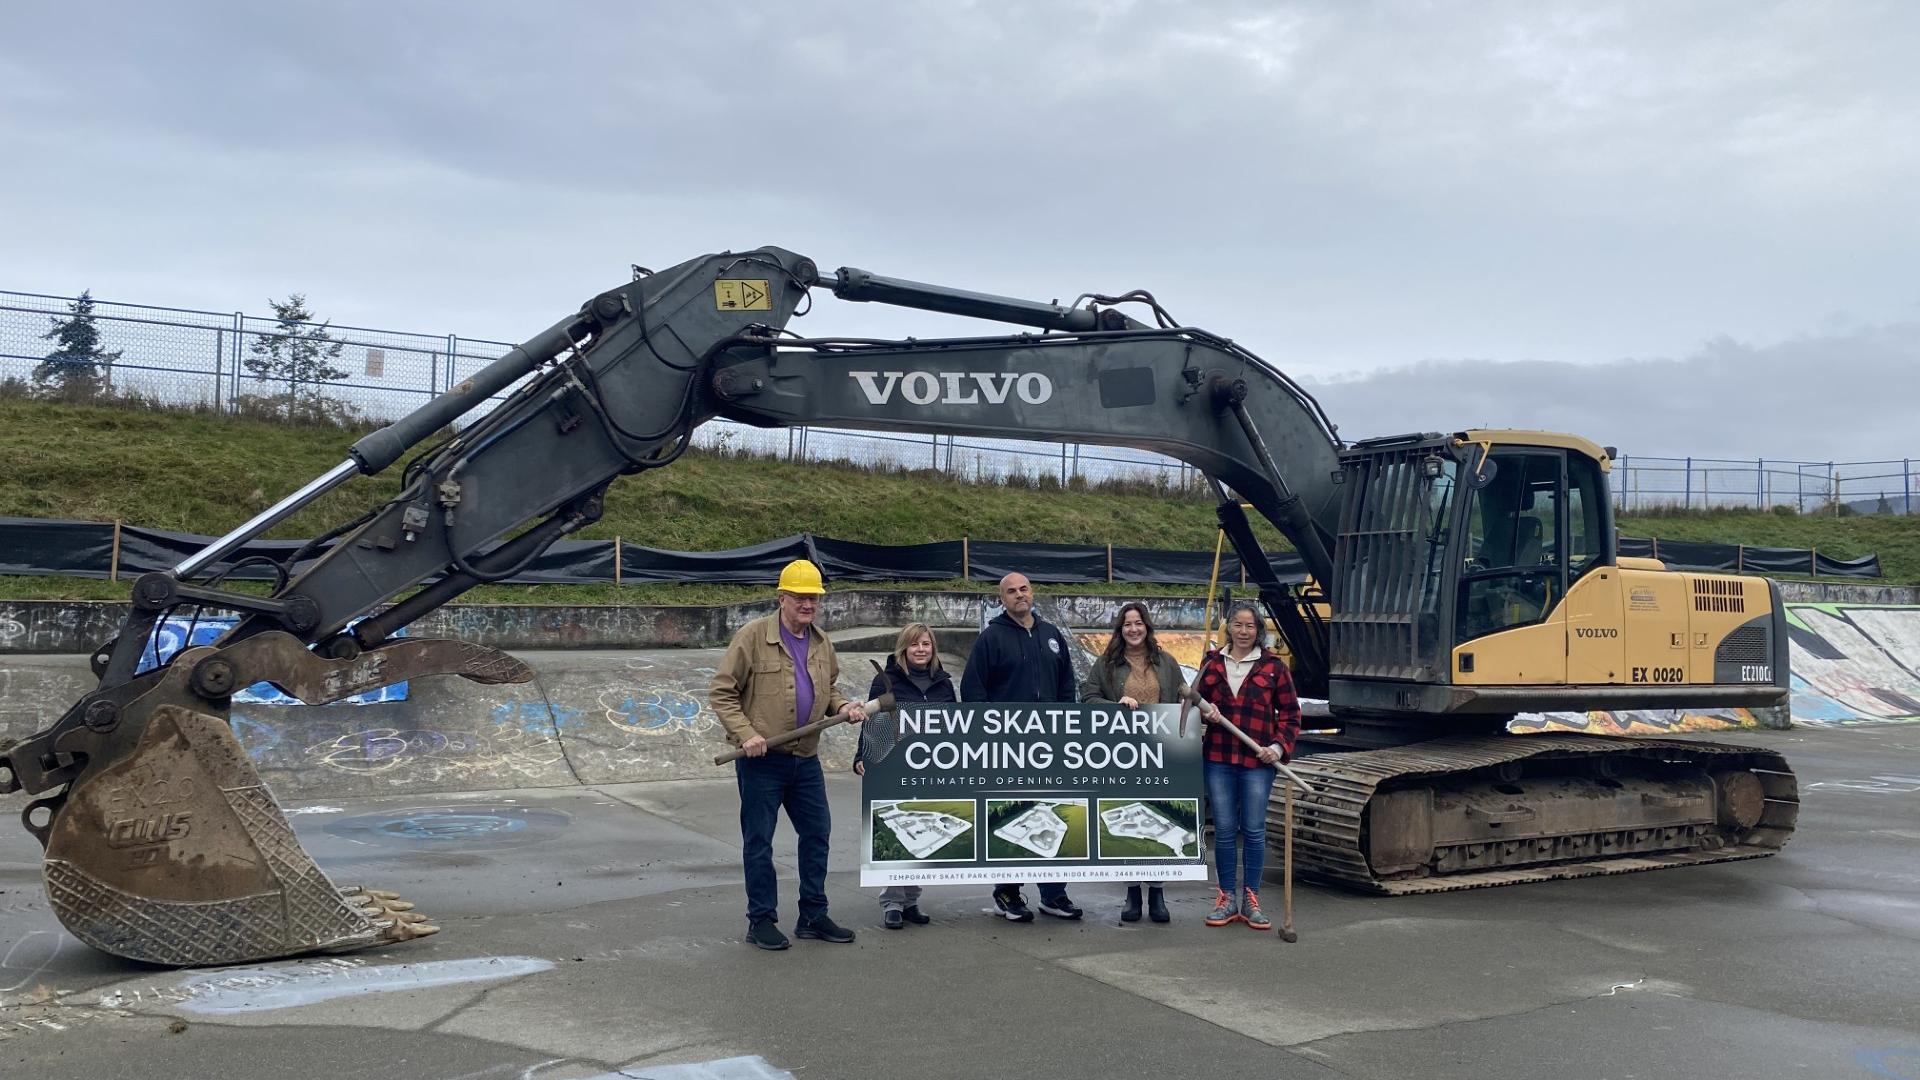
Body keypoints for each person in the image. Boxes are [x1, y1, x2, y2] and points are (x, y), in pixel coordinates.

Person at [709, 558, 869, 951]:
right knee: (759, 841)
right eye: (800, 596)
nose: (808, 604)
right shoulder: (752, 637)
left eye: (813, 597)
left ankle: (813, 914)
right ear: (782, 598)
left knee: (817, 834)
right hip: (762, 762)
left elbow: (828, 689)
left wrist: (844, 706)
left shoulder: (821, 642)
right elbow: (722, 692)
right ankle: (760, 920)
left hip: (805, 759)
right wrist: (746, 734)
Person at [961, 572, 1083, 922]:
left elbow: (1066, 688)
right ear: (1002, 599)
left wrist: (1065, 730)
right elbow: (973, 692)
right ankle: (1008, 892)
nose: (1019, 595)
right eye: (1011, 591)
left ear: (1032, 593)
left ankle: (1054, 893)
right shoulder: (990, 638)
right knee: (1013, 816)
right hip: (1007, 750)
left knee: (1052, 815)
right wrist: (991, 736)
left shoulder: (1052, 635)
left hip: (1050, 747)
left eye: (1024, 589)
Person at [1190, 600, 1301, 931]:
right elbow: (1192, 707)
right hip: (1219, 758)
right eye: (1237, 625)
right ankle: (1226, 899)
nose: (1243, 631)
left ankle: (1251, 899)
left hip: (1258, 761)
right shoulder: (1211, 665)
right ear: (1229, 628)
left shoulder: (1274, 668)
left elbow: (1292, 715)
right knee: (1224, 830)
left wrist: (1278, 747)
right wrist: (1203, 713)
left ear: (1259, 631)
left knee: (1253, 830)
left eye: (1249, 626)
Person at [1079, 602, 1187, 924]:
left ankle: (1157, 891)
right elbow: (1087, 696)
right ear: (1120, 630)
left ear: (1147, 626)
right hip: (1123, 755)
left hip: (1161, 752)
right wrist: (1115, 706)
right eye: (1127, 624)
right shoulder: (1107, 664)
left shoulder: (1166, 662)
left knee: (1160, 818)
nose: (1134, 629)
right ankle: (1132, 893)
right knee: (1130, 818)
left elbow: (1184, 696)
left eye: (1138, 623)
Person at [854, 622, 958, 929]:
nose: (921, 649)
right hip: (894, 764)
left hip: (932, 767)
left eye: (926, 644)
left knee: (922, 827)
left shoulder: (944, 683)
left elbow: (956, 724)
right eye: (915, 644)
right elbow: (870, 723)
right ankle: (892, 902)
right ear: (903, 648)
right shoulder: (886, 681)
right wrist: (861, 755)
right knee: (895, 829)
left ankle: (912, 898)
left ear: (933, 648)